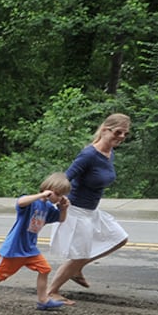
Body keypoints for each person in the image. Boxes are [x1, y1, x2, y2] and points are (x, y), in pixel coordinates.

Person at [44, 113, 131, 304]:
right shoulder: (89, 155)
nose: (122, 137)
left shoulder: (109, 153)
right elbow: (67, 177)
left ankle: (76, 269)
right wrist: (54, 198)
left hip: (91, 212)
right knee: (80, 255)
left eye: (125, 134)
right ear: (105, 129)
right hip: (76, 210)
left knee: (119, 238)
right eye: (118, 132)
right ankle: (51, 292)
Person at [0, 172, 71, 311]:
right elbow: (20, 202)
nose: (59, 198)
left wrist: (63, 209)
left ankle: (43, 300)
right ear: (48, 190)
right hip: (14, 248)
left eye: (62, 195)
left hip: (30, 249)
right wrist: (41, 195)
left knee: (45, 269)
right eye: (58, 194)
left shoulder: (48, 208)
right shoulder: (32, 202)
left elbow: (60, 219)